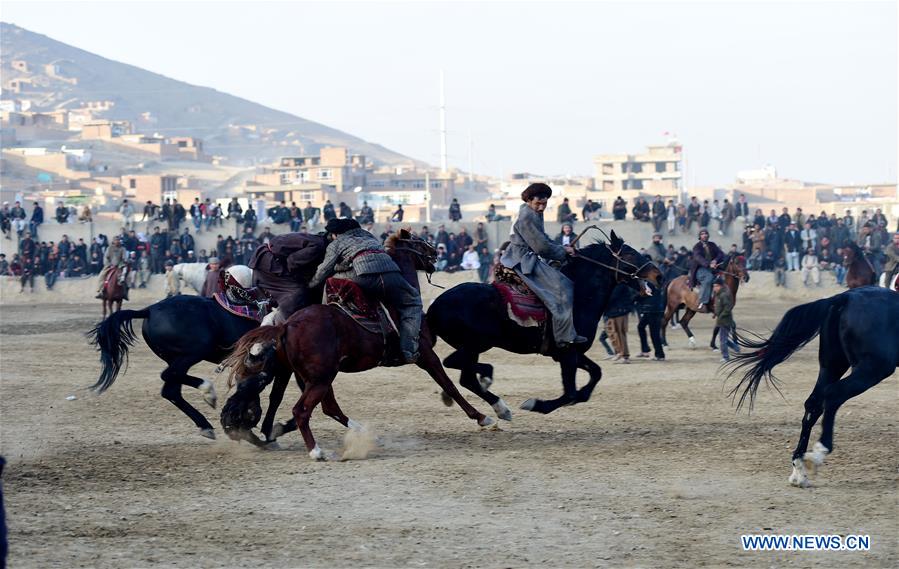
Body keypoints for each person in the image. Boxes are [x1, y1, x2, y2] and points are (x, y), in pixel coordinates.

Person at [309, 218, 423, 363]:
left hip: (362, 275)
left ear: (335, 234)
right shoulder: (369, 236)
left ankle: (326, 328)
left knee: (329, 281)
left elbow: (324, 270)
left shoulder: (336, 244)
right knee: (412, 302)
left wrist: (310, 285)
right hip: (392, 273)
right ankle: (408, 351)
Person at [500, 183, 587, 349]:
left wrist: (562, 248)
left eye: (544, 204)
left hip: (526, 256)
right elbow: (541, 247)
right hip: (523, 260)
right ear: (529, 200)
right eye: (538, 204)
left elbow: (544, 238)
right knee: (563, 287)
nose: (541, 207)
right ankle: (564, 337)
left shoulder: (531, 212)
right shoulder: (528, 216)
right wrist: (563, 251)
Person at [248, 231, 328, 325]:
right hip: (270, 263)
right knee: (297, 294)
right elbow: (292, 262)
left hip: (268, 261)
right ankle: (280, 328)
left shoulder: (316, 239)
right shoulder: (318, 244)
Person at [689, 229, 725, 312]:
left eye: (706, 234)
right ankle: (702, 302)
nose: (704, 235)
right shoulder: (697, 247)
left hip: (713, 268)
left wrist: (715, 260)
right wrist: (709, 264)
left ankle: (719, 301)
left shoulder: (712, 245)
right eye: (702, 234)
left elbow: (720, 253)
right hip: (700, 269)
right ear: (700, 236)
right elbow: (698, 258)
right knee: (708, 278)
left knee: (722, 279)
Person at [636, 277, 665, 361]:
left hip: (652, 310)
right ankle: (645, 349)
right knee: (640, 327)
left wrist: (634, 298)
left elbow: (645, 294)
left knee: (654, 333)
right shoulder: (652, 282)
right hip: (651, 309)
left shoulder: (650, 283)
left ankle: (660, 355)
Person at [605, 283, 634, 363]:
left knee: (619, 333)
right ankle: (620, 353)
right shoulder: (620, 285)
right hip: (616, 311)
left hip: (618, 311)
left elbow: (612, 297)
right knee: (614, 333)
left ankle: (624, 356)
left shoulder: (619, 285)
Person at [712, 277, 738, 363]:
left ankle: (726, 357)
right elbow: (719, 306)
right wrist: (716, 313)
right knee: (724, 338)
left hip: (725, 321)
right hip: (721, 320)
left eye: (715, 286)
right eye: (714, 286)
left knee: (722, 340)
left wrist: (721, 316)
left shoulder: (724, 295)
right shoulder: (718, 295)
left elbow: (728, 307)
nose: (714, 288)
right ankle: (735, 347)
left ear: (720, 286)